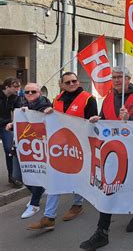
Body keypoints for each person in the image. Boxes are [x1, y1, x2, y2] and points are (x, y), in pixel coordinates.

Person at [80, 67, 133, 250]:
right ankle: (102, 232)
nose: (117, 80)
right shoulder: (108, 97)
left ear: (128, 79)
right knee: (108, 187)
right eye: (114, 77)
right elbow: (106, 118)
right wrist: (98, 119)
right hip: (112, 150)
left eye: (120, 77)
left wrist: (131, 118)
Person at [26, 72, 98, 230]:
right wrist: (46, 112)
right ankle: (49, 216)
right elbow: (52, 119)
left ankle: (77, 205)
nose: (72, 84)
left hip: (80, 145)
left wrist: (93, 120)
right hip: (60, 146)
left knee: (78, 176)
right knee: (55, 178)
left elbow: (94, 122)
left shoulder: (88, 99)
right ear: (62, 85)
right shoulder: (57, 99)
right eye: (68, 82)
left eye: (74, 81)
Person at [6, 82, 52, 219]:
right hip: (20, 146)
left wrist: (42, 112)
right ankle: (40, 191)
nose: (30, 94)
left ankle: (35, 203)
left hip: (37, 148)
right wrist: (12, 125)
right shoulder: (21, 104)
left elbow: (47, 122)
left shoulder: (45, 106)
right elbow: (22, 125)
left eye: (33, 92)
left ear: (40, 93)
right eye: (27, 92)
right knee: (18, 175)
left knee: (35, 174)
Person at [0, 77, 22, 188]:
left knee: (10, 149)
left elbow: (18, 111)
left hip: (5, 126)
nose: (18, 89)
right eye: (15, 86)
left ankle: (11, 176)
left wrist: (13, 123)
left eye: (19, 86)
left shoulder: (15, 97)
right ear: (7, 86)